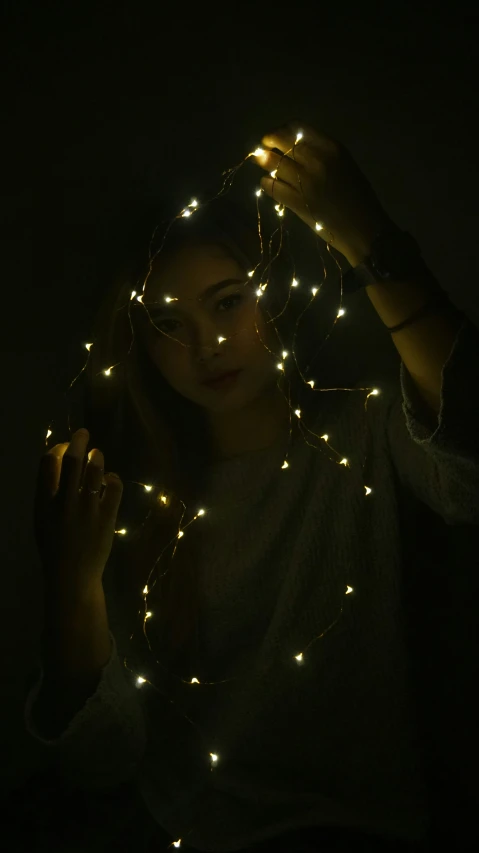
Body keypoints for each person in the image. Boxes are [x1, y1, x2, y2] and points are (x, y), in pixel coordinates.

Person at [23, 122, 479, 853]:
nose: (205, 347)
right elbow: (101, 760)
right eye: (167, 323)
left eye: (228, 300)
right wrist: (70, 586)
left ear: (275, 292)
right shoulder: (133, 501)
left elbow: (469, 465)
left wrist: (368, 238)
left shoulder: (363, 433)